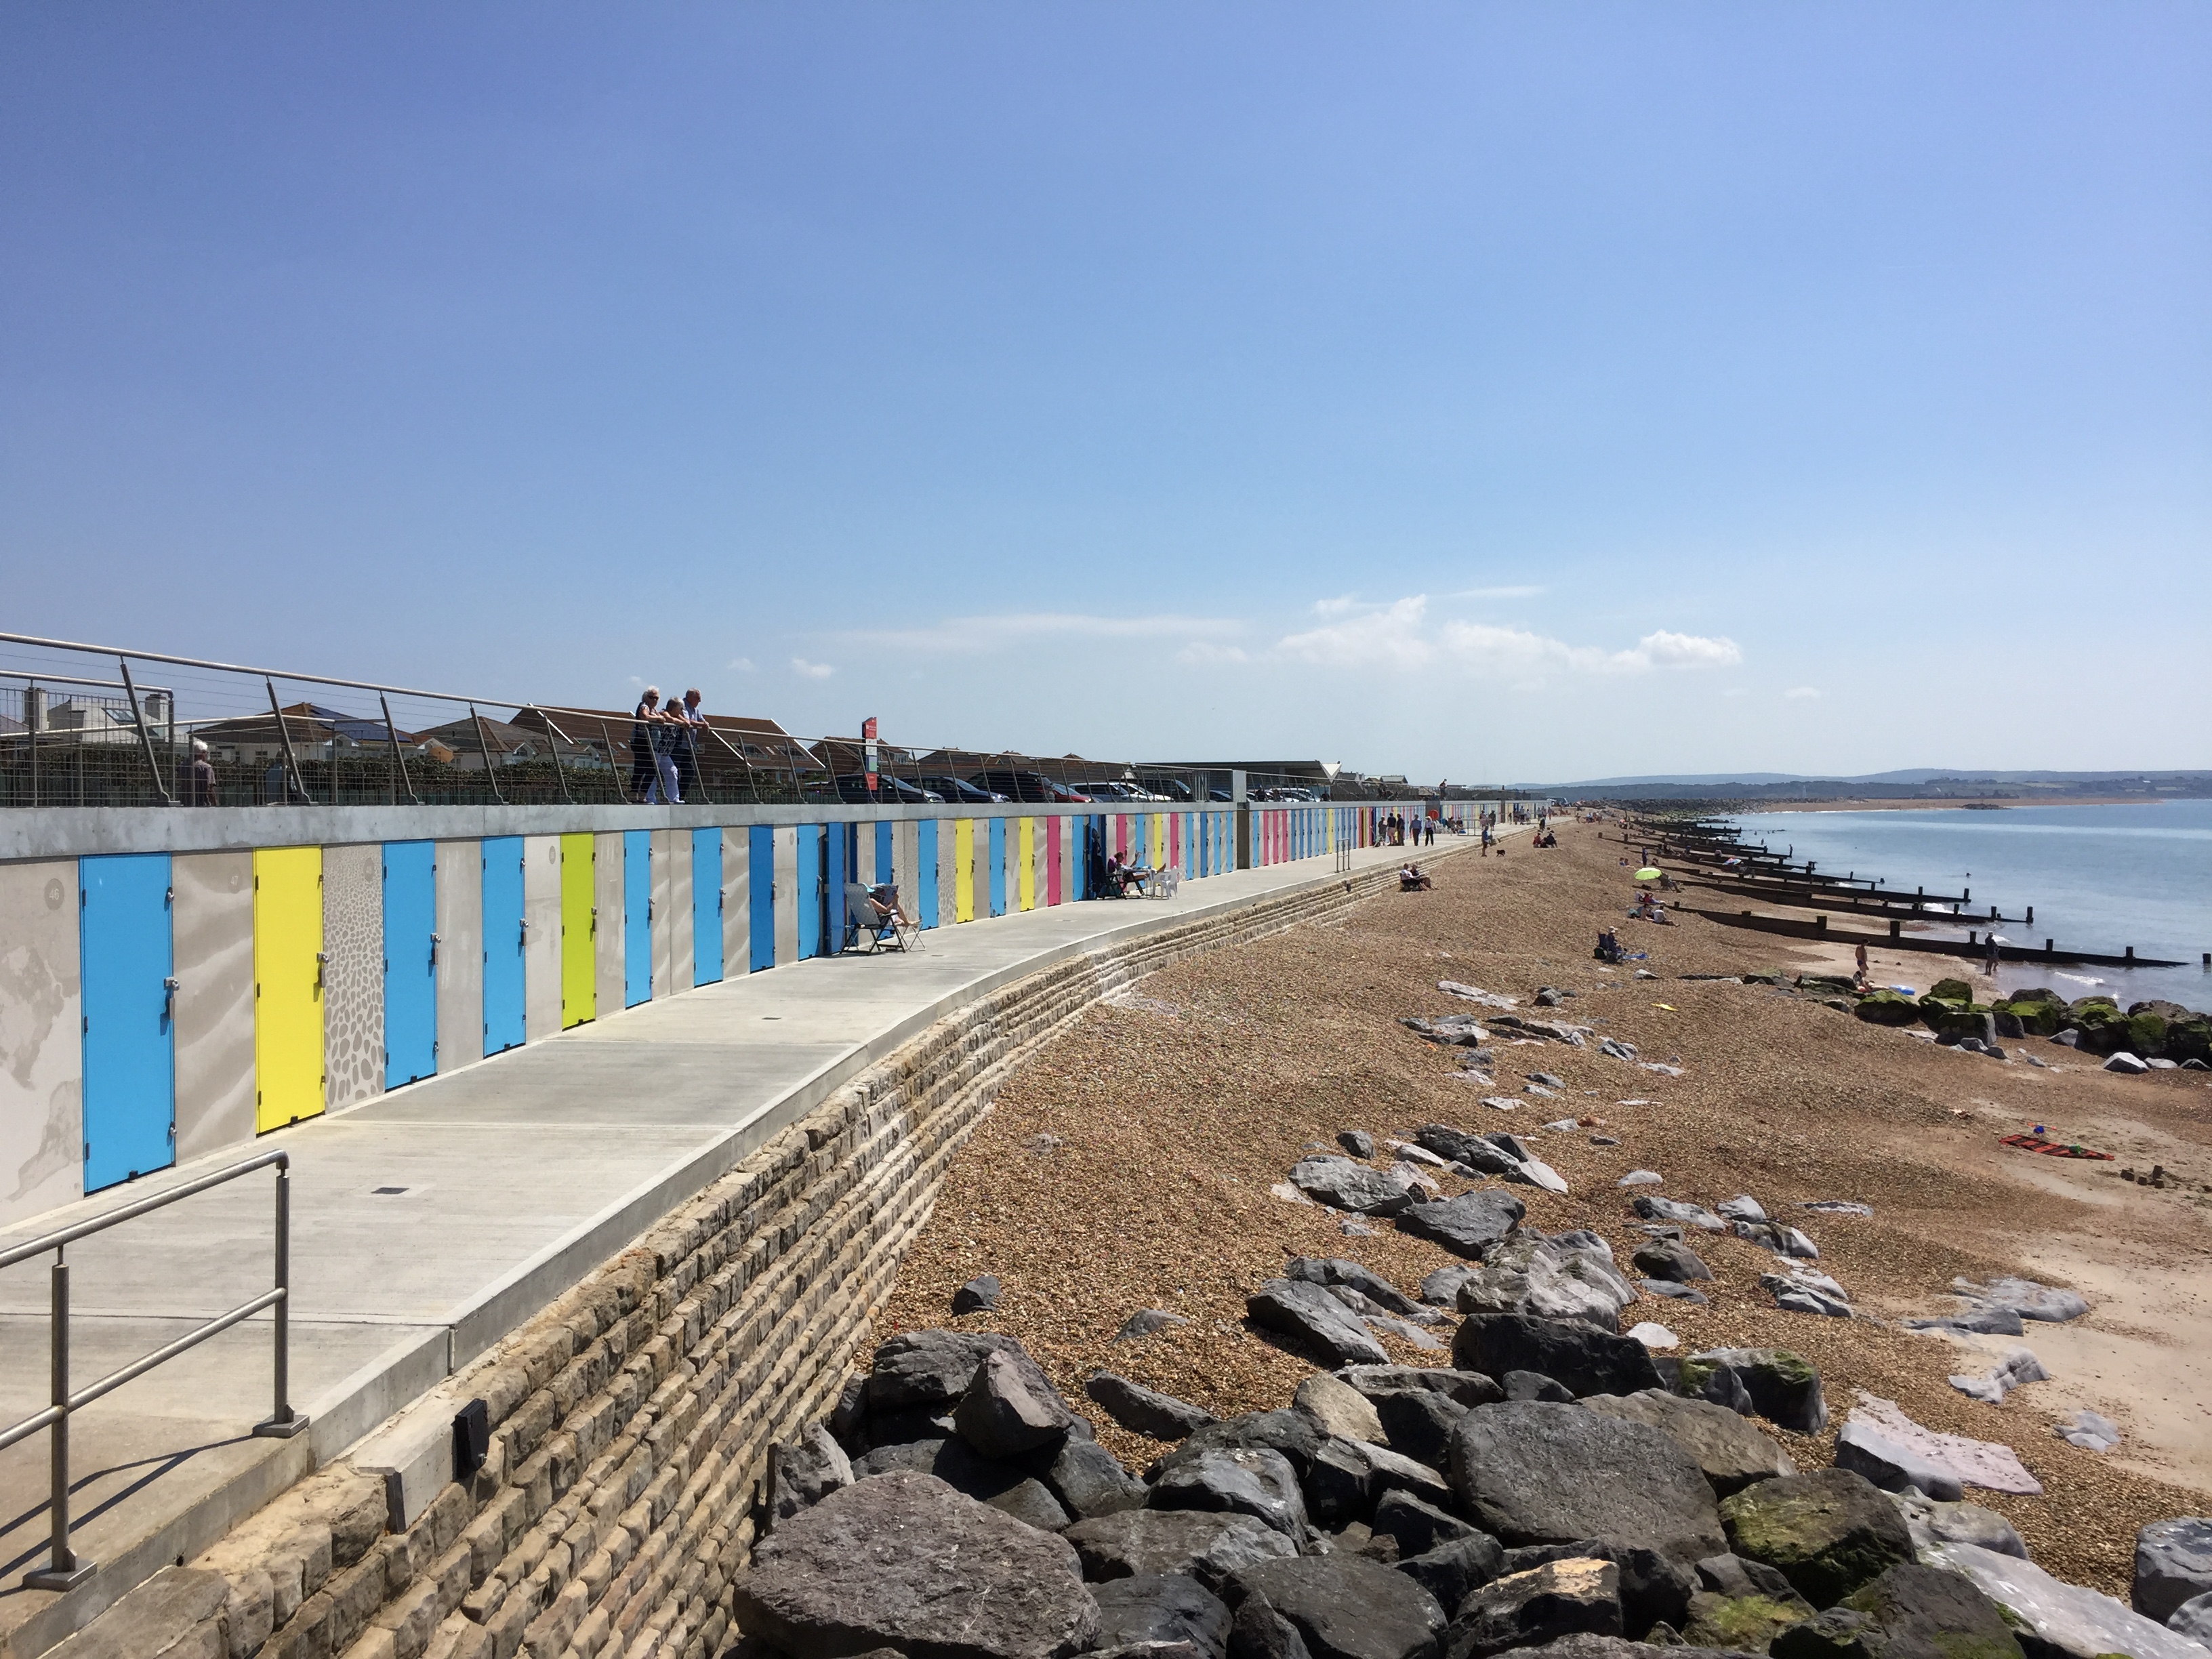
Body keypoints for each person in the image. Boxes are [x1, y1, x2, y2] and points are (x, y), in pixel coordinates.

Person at [647, 697, 683, 804]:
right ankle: (650, 798)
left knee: (672, 772)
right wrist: (681, 722)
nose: (682, 711)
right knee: (653, 773)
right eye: (681, 709)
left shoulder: (678, 717)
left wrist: (683, 721)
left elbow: (685, 721)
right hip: (657, 750)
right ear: (675, 708)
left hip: (665, 752)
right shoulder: (663, 713)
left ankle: (674, 798)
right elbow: (669, 719)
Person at [629, 687, 661, 801]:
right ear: (646, 697)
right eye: (651, 697)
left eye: (656, 698)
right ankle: (642, 795)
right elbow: (644, 716)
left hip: (647, 743)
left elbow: (664, 718)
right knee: (652, 769)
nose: (654, 700)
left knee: (640, 768)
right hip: (641, 741)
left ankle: (634, 795)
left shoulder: (654, 710)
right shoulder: (645, 706)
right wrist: (658, 718)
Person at [674, 689, 705, 799]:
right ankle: (674, 797)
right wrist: (703, 724)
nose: (700, 701)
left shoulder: (696, 709)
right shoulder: (682, 705)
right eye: (698, 698)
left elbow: (702, 721)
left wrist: (705, 723)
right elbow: (689, 721)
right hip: (678, 745)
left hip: (689, 746)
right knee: (675, 772)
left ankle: (681, 797)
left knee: (689, 772)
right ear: (690, 697)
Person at [186, 738, 218, 805]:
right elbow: (210, 788)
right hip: (203, 803)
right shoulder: (207, 768)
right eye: (206, 753)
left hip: (186, 802)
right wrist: (215, 804)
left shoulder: (183, 766)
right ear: (202, 753)